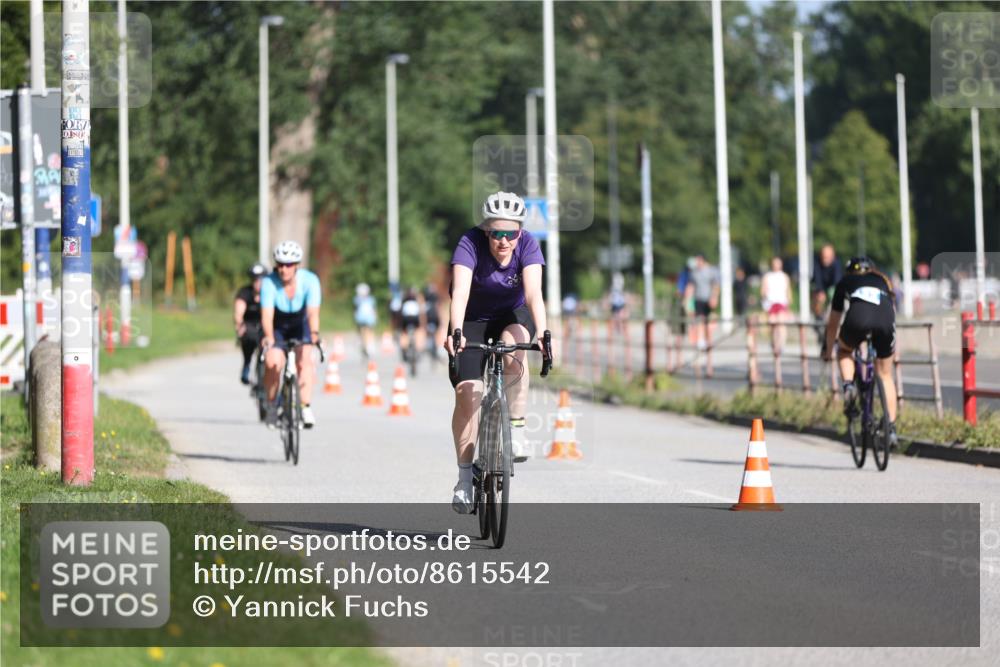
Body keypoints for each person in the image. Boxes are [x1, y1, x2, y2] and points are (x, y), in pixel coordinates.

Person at [445, 191, 551, 513]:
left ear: (520, 232)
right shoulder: (469, 243)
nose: (503, 242)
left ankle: (515, 429)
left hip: (512, 314)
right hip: (473, 318)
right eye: (496, 233)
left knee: (515, 349)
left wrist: (545, 334)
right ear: (485, 230)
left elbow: (533, 294)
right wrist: (456, 331)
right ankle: (465, 479)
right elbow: (460, 292)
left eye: (511, 234)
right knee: (468, 392)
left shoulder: (530, 244)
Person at [822, 256, 898, 446]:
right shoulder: (883, 279)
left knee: (845, 350)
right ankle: (891, 428)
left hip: (858, 318)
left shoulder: (845, 282)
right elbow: (892, 311)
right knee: (886, 375)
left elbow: (833, 324)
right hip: (885, 321)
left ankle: (848, 386)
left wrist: (828, 349)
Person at [260, 241, 322, 429]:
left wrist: (314, 334)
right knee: (273, 362)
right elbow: (267, 315)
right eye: (280, 264)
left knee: (305, 362)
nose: (283, 269)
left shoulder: (310, 281)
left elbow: (313, 312)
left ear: (296, 266)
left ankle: (305, 406)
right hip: (278, 326)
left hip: (300, 324)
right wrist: (269, 337)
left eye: (288, 265)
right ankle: (271, 405)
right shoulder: (269, 283)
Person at [234, 263, 268, 385]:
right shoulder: (245, 293)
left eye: (260, 280)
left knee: (267, 346)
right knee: (248, 339)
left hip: (265, 326)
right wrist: (239, 325)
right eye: (255, 280)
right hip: (249, 326)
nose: (258, 283)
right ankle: (247, 364)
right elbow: (238, 313)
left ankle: (263, 374)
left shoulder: (269, 294)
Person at [760, 256, 792, 354]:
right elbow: (763, 290)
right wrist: (764, 298)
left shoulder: (784, 276)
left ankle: (781, 345)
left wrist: (789, 304)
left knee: (781, 325)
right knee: (773, 324)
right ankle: (774, 343)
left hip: (781, 303)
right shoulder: (767, 276)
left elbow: (788, 291)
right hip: (771, 303)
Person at [812, 243, 844, 320]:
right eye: (823, 257)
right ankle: (819, 318)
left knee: (833, 294)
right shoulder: (817, 263)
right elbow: (817, 279)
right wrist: (820, 291)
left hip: (833, 288)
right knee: (818, 297)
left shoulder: (837, 264)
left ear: (832, 256)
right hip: (822, 289)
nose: (825, 259)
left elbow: (837, 281)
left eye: (827, 257)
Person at [399, 285, 423, 361]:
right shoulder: (417, 298)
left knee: (404, 333)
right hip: (415, 318)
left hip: (406, 319)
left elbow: (400, 311)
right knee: (418, 332)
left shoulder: (404, 299)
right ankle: (418, 350)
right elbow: (421, 311)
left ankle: (404, 349)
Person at [353, 283, 377, 359]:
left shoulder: (357, 299)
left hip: (361, 319)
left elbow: (355, 310)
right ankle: (368, 345)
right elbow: (374, 309)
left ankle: (364, 344)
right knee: (369, 331)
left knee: (362, 332)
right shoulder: (371, 299)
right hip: (368, 319)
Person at [423, 284, 442, 360]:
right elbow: (438, 308)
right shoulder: (436, 297)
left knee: (428, 333)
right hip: (435, 318)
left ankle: (430, 346)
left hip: (428, 318)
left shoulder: (425, 299)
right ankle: (437, 348)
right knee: (437, 333)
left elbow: (423, 312)